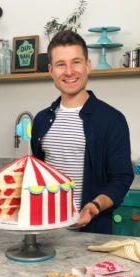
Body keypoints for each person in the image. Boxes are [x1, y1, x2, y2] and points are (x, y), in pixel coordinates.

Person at [31, 30, 134, 234]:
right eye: (61, 64)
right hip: (47, 231)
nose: (69, 72)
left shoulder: (112, 120)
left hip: (92, 232)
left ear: (87, 66)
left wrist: (93, 207)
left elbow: (121, 178)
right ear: (51, 70)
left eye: (76, 62)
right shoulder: (42, 120)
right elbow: (39, 175)